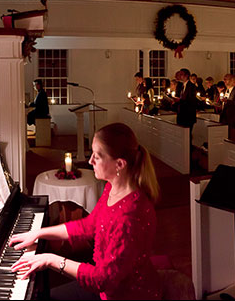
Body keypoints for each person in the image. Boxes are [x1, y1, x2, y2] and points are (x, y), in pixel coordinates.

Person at [9, 123, 161, 300]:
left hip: (126, 294)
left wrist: (50, 259)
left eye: (97, 156)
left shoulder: (129, 216)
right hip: (109, 287)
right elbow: (88, 226)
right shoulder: (112, 188)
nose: (90, 161)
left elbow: (102, 280)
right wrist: (39, 233)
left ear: (119, 164)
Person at [173, 68, 198, 136]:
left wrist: (180, 100)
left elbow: (192, 101)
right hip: (181, 114)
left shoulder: (191, 86)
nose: (180, 76)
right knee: (181, 135)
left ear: (186, 76)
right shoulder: (182, 85)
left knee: (187, 135)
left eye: (181, 74)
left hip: (188, 115)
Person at [221, 74, 235, 142]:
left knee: (233, 140)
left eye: (226, 79)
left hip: (232, 118)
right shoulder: (225, 90)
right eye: (224, 79)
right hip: (224, 118)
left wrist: (227, 101)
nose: (224, 80)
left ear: (232, 80)